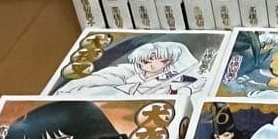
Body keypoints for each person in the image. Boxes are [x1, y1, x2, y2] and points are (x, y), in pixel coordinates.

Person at [55, 40, 201, 97]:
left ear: (167, 62)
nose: (148, 63)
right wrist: (66, 91)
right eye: (144, 60)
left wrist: (183, 90)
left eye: (154, 59)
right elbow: (98, 78)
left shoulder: (176, 78)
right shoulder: (128, 71)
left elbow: (197, 83)